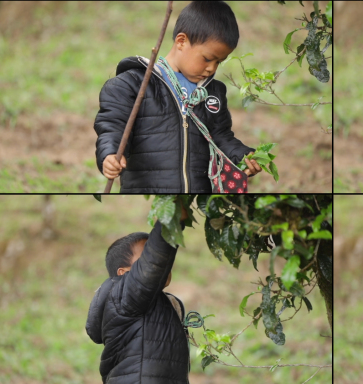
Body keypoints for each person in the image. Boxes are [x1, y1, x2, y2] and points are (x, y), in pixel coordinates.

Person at [95, 1, 262, 193]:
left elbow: (221, 137)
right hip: (147, 193)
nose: (212, 68)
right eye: (207, 58)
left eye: (219, 62)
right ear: (181, 41)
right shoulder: (132, 84)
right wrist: (109, 154)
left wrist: (242, 156)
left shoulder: (212, 93)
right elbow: (113, 126)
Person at [85, 202, 192, 383]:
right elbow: (154, 262)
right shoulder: (122, 296)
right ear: (123, 273)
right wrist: (170, 220)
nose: (155, 262)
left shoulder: (158, 303)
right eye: (144, 257)